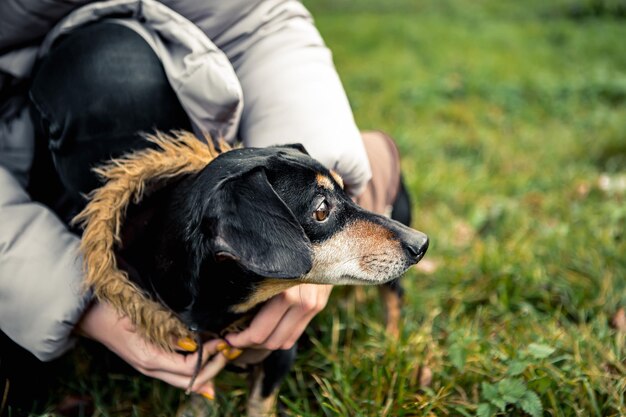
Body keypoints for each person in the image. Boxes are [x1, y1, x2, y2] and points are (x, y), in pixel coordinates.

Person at [0, 0, 404, 411]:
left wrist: (298, 213)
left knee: (109, 66)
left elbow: (259, 21)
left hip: (206, 157)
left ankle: (373, 167)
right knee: (106, 71)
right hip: (32, 167)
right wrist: (76, 303)